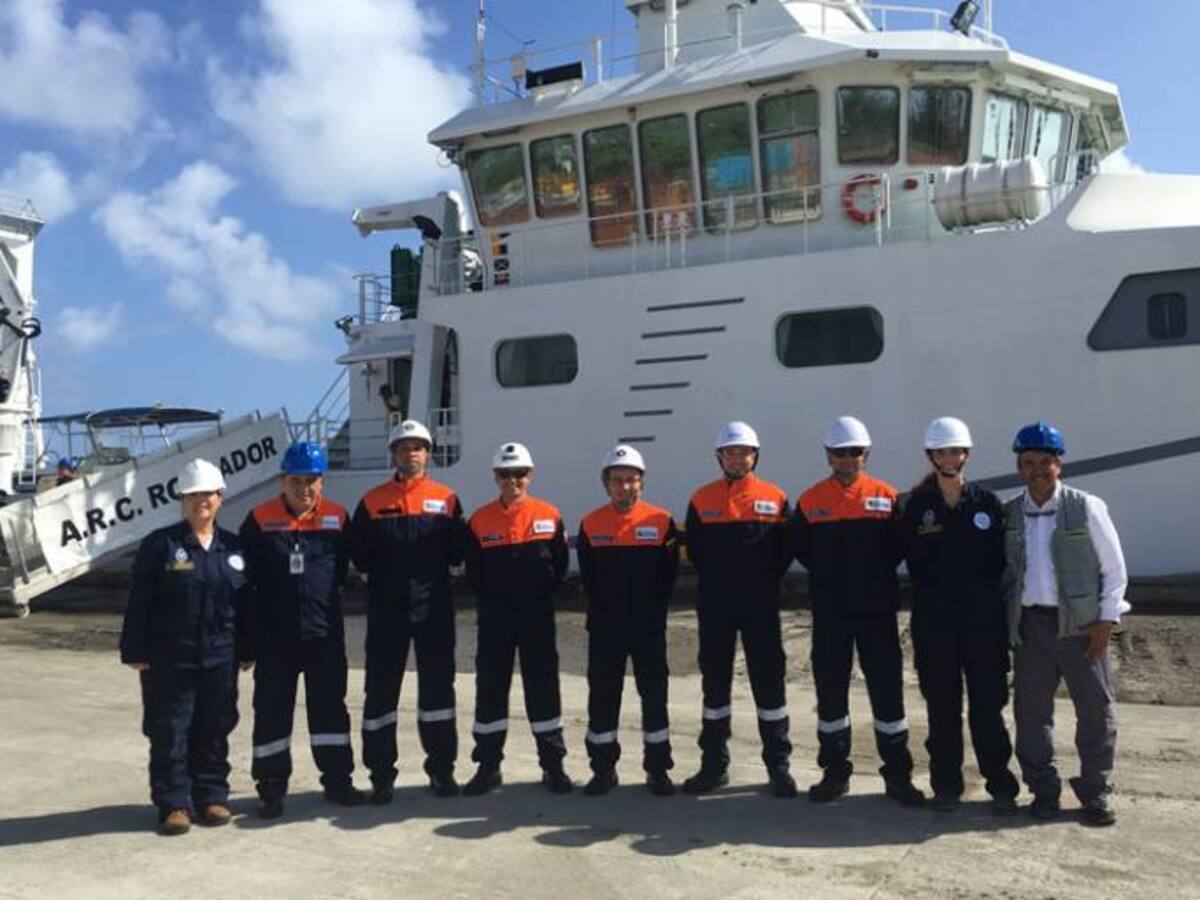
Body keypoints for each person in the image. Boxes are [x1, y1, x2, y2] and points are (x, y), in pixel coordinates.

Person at [792, 416, 925, 807]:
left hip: (876, 612)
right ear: (828, 456)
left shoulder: (886, 498)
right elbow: (801, 547)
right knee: (831, 692)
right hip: (831, 612)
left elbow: (899, 546)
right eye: (840, 453)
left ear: (866, 455)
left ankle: (898, 776)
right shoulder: (810, 501)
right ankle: (834, 773)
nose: (847, 459)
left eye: (855, 453)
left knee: (888, 694)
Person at [1003, 421, 1129, 827]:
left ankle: (1097, 791)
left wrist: (1106, 619)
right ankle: (1043, 789)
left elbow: (1114, 570)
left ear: (1059, 463)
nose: (1036, 469)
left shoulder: (1086, 507)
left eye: (1045, 461)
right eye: (1028, 462)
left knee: (1096, 710)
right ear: (1019, 466)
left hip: (1081, 627)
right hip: (1031, 628)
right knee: (1031, 713)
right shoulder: (1010, 514)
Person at [119, 458, 254, 835]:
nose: (201, 501)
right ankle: (174, 803)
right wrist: (136, 650)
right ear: (182, 500)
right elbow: (140, 601)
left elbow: (246, 604)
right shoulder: (161, 546)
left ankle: (211, 795)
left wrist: (247, 648)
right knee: (170, 730)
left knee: (214, 726)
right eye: (193, 495)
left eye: (208, 494)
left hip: (220, 656)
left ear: (220, 497)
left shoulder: (234, 548)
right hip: (169, 657)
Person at [899, 417, 1020, 814]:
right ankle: (946, 786)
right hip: (935, 625)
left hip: (983, 625)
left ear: (966, 454)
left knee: (987, 707)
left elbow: (1004, 563)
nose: (950, 457)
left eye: (956, 451)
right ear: (931, 456)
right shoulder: (916, 507)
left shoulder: (987, 503)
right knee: (942, 708)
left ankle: (1000, 784)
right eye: (942, 451)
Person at [239, 441, 365, 818]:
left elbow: (345, 568)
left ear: (322, 482)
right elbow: (246, 581)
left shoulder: (338, 519)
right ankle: (272, 789)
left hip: (324, 633)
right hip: (275, 636)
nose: (304, 488)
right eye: (296, 480)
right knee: (272, 711)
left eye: (312, 480)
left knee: (330, 709)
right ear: (283, 480)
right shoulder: (259, 520)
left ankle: (338, 782)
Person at [349, 419, 466, 802]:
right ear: (393, 455)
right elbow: (361, 559)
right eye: (402, 447)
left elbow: (456, 555)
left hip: (433, 608)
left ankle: (442, 770)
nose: (410, 453)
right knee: (380, 691)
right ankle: (381, 775)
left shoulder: (447, 500)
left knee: (437, 690)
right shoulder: (371, 502)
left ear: (427, 453)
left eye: (417, 447)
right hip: (387, 610)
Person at [682, 421, 796, 798]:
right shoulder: (701, 499)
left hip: (760, 605)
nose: (736, 458)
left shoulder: (776, 498)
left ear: (755, 456)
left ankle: (778, 767)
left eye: (743, 452)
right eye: (729, 452)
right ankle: (713, 766)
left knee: (769, 685)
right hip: (715, 605)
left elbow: (783, 551)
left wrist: (759, 583)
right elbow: (696, 551)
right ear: (720, 457)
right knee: (715, 687)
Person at [462, 441, 572, 795]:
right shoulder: (479, 521)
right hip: (496, 618)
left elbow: (558, 567)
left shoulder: (549, 515)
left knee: (543, 690)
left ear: (531, 475)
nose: (513, 480)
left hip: (536, 617)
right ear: (495, 477)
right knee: (491, 690)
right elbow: (474, 573)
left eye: (519, 474)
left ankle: (553, 766)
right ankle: (488, 767)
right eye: (506, 474)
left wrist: (536, 596)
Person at [576, 444, 680, 796]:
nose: (625, 487)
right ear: (606, 484)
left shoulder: (661, 522)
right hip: (606, 627)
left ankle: (658, 770)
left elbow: (669, 576)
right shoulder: (591, 524)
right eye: (617, 480)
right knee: (603, 697)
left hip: (648, 626)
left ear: (642, 482)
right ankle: (603, 770)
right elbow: (588, 575)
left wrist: (650, 608)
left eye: (631, 480)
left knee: (654, 696)